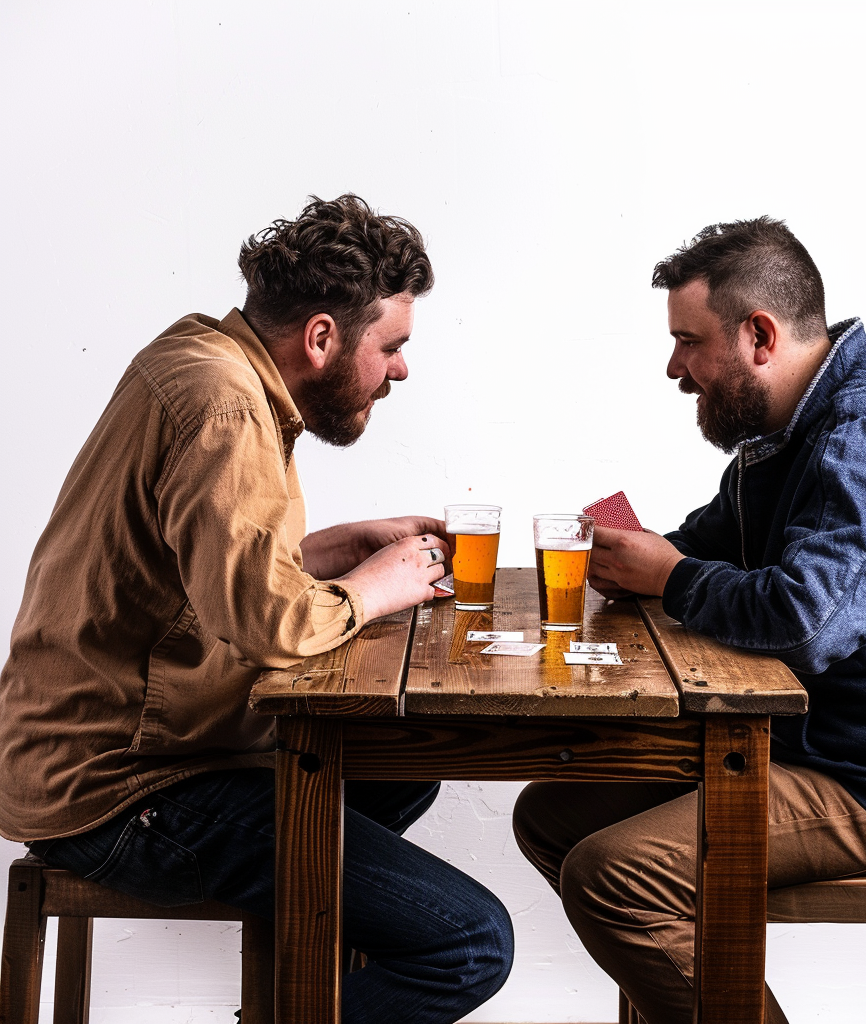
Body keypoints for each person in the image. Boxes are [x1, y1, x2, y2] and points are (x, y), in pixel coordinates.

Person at [0, 195, 513, 1024]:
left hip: (110, 754)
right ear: (321, 337)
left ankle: (298, 992)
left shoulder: (202, 355)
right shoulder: (227, 407)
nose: (402, 371)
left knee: (406, 757)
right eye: (393, 347)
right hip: (123, 789)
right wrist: (377, 588)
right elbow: (268, 627)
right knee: (470, 942)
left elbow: (186, 573)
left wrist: (335, 548)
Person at [512, 217, 866, 1023]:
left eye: (687, 340)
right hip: (814, 741)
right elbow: (704, 550)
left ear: (758, 335)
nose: (675, 367)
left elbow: (807, 620)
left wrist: (670, 576)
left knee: (615, 875)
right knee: (549, 815)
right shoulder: (781, 435)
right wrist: (635, 559)